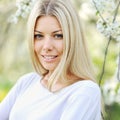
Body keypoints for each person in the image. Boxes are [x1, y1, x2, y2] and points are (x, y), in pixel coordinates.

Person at [0, 0, 102, 119]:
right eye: (39, 36)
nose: (47, 46)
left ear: (73, 38)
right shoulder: (27, 82)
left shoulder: (85, 91)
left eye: (58, 36)